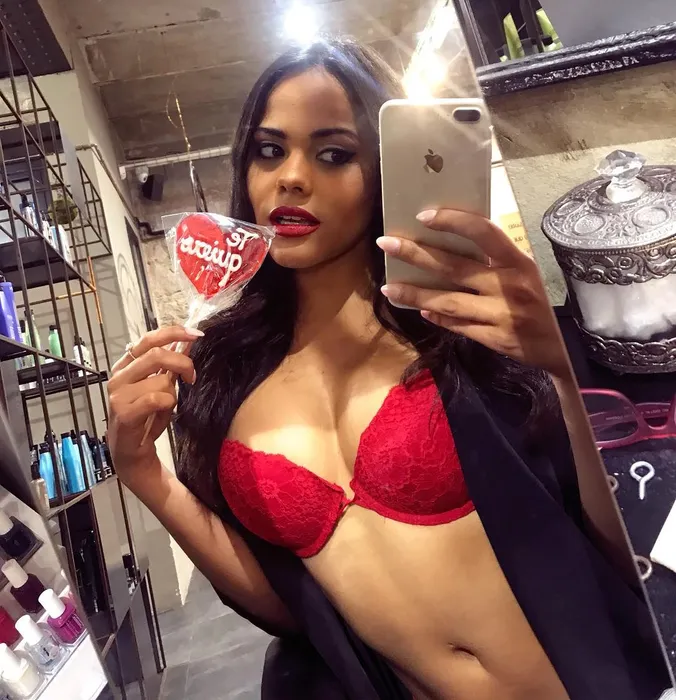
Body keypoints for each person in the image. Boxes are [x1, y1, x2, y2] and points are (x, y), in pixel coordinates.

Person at [107, 39, 669, 700]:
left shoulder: (464, 334)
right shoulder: (220, 375)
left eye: (333, 153)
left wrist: (562, 371)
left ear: (385, 171)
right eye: (269, 150)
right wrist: (144, 475)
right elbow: (296, 608)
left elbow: (617, 548)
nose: (291, 177)